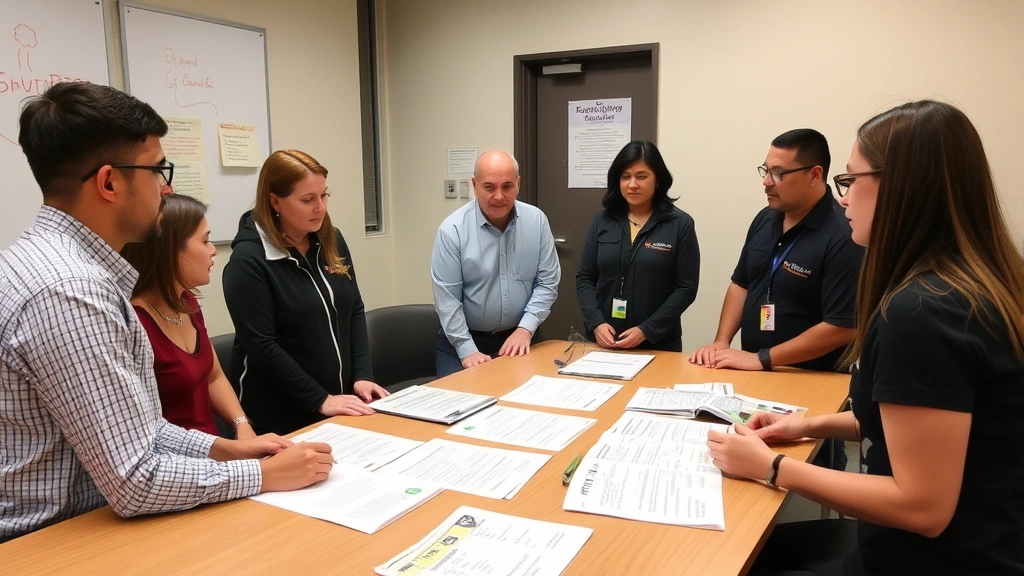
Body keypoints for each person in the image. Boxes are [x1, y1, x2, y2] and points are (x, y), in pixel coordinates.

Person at [0, 82, 331, 543]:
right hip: (57, 542)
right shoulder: (70, 292)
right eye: (158, 170)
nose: (167, 187)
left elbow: (137, 429)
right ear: (110, 182)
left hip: (91, 525)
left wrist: (228, 449)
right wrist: (263, 476)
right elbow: (135, 479)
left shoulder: (54, 264)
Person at [707, 101, 1024, 575]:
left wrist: (770, 467)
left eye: (851, 181)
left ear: (902, 189)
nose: (843, 199)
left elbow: (923, 508)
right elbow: (914, 424)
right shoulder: (967, 286)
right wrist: (804, 426)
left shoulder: (923, 311)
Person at [223, 149, 388, 436]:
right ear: (275, 201)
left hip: (337, 404)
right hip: (281, 415)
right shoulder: (248, 261)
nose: (320, 207)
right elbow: (261, 346)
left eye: (324, 196)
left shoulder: (331, 239)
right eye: (308, 199)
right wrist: (319, 399)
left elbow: (354, 308)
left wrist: (362, 375)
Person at [690, 129, 863, 373]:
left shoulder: (844, 234)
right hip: (756, 370)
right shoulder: (765, 218)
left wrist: (763, 358)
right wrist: (722, 341)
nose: (766, 181)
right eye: (766, 170)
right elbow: (741, 284)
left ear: (814, 175)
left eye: (779, 173)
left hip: (813, 378)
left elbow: (843, 326)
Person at [121, 194, 255, 440]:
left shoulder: (186, 301)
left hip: (215, 454)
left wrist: (242, 425)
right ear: (169, 250)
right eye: (205, 241)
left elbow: (213, 377)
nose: (214, 250)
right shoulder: (133, 323)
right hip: (178, 465)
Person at [431, 150, 560, 377]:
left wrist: (525, 329)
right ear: (475, 185)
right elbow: (447, 299)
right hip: (464, 340)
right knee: (460, 407)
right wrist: (467, 349)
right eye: (489, 187)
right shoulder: (452, 231)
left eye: (507, 186)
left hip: (521, 336)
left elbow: (548, 282)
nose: (499, 196)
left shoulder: (536, 221)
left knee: (527, 405)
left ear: (518, 184)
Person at [576, 140, 700, 351]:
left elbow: (686, 288)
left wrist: (647, 330)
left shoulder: (680, 224)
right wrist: (596, 323)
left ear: (658, 180)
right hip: (605, 340)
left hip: (658, 342)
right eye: (626, 177)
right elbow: (585, 278)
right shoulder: (603, 221)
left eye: (641, 176)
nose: (632, 184)